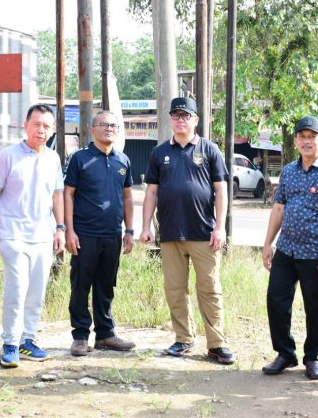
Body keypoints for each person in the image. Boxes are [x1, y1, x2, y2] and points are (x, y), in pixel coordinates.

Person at [140, 96, 236, 364]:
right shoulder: (159, 153)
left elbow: (220, 191)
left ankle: (217, 344)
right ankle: (183, 339)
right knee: (175, 288)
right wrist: (146, 226)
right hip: (170, 234)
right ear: (171, 119)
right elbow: (151, 193)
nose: (181, 120)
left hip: (204, 234)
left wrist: (220, 227)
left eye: (186, 116)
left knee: (209, 288)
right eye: (176, 116)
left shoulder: (209, 150)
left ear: (196, 120)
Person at [261, 117, 318, 379]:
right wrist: (268, 243)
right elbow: (279, 208)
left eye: (313, 136)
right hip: (286, 250)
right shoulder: (288, 171)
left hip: (317, 253)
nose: (307, 141)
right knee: (276, 300)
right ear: (296, 141)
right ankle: (285, 353)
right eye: (302, 136)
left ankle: (313, 357)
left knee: (315, 307)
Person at [0, 105, 65, 367]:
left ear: (52, 130)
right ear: (25, 126)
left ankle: (28, 340)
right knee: (17, 289)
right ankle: (10, 342)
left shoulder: (53, 158)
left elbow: (57, 195)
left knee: (36, 292)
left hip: (42, 236)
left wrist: (60, 228)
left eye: (46, 126)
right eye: (36, 124)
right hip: (13, 234)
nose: (41, 130)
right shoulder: (8, 156)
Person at [64, 111, 135, 355]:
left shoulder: (122, 160)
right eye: (103, 124)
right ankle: (80, 336)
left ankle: (105, 335)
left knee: (106, 285)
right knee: (81, 285)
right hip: (84, 234)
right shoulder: (79, 159)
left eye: (113, 125)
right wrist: (69, 231)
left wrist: (130, 230)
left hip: (112, 234)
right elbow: (68, 195)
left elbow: (127, 197)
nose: (109, 128)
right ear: (92, 129)